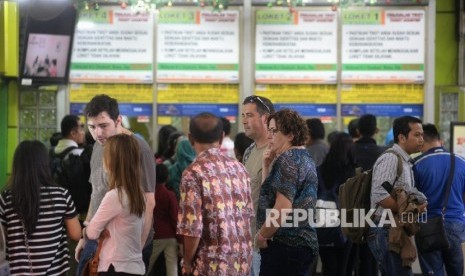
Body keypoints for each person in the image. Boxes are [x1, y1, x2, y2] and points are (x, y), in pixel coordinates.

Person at [75, 94, 156, 275]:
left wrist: (137, 249)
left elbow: (149, 202)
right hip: (100, 241)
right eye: (92, 127)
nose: (98, 133)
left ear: (118, 120)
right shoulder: (98, 146)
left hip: (129, 247)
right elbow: (96, 193)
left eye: (103, 126)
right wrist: (85, 236)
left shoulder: (138, 148)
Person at [177, 112, 253, 275]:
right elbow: (247, 216)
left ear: (190, 138)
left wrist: (187, 262)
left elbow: (192, 228)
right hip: (242, 261)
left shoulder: (193, 173)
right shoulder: (240, 169)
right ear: (221, 137)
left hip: (210, 264)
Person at [0, 140, 81, 275]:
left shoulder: (6, 198)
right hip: (54, 272)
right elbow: (76, 234)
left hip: (16, 272)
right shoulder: (61, 195)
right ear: (45, 164)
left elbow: (2, 240)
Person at [256, 109, 318, 276]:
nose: (269, 136)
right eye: (268, 130)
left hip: (285, 244)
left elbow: (282, 207)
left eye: (274, 131)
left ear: (290, 135)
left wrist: (262, 235)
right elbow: (268, 196)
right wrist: (267, 165)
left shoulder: (287, 160)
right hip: (301, 244)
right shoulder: (304, 156)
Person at [368, 116, 425, 276]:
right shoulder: (391, 158)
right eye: (417, 135)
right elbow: (379, 194)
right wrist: (408, 211)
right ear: (401, 137)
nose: (421, 139)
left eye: (422, 135)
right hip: (385, 229)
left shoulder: (405, 160)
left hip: (395, 228)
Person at [85, 134, 146, 275]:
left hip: (114, 266)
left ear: (111, 162)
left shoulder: (115, 196)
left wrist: (92, 229)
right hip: (135, 266)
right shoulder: (139, 194)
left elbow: (92, 232)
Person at [413, 124, 465, 276]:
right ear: (440, 140)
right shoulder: (461, 161)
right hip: (455, 223)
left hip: (428, 225)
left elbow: (412, 199)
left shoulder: (417, 164)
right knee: (455, 270)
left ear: (422, 140)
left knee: (432, 271)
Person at [241, 95, 275, 276]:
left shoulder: (276, 151)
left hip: (267, 240)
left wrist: (265, 233)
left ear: (266, 118)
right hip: (248, 238)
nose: (244, 121)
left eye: (249, 115)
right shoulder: (249, 151)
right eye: (243, 116)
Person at [348, 113, 384, 276]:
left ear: (357, 130)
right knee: (370, 258)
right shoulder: (383, 154)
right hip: (376, 212)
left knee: (348, 257)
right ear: (376, 130)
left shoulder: (348, 151)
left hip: (348, 211)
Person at [317, 132, 355, 276]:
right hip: (347, 224)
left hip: (323, 223)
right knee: (344, 267)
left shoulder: (320, 170)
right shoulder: (353, 173)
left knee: (328, 265)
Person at [148, 164, 179, 276]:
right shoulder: (170, 195)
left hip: (155, 235)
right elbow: (175, 218)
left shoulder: (149, 194)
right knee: (172, 267)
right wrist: (180, 239)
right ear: (167, 177)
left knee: (147, 265)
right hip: (170, 236)